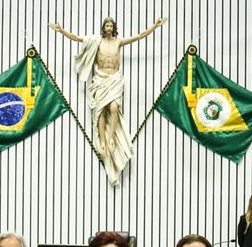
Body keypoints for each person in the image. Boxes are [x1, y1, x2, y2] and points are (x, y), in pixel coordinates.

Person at [51, 16, 166, 184]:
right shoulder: (96, 42)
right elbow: (77, 38)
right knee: (100, 111)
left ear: (114, 28)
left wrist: (154, 26)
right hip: (100, 79)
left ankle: (111, 137)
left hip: (115, 80)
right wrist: (61, 30)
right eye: (107, 25)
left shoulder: (119, 42)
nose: (109, 27)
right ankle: (103, 142)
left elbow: (139, 36)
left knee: (113, 108)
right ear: (103, 27)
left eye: (111, 25)